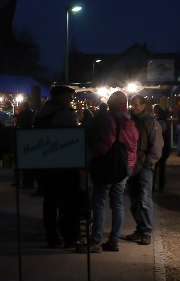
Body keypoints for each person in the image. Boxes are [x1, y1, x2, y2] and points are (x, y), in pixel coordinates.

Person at [78, 90, 138, 253]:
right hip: (123, 168)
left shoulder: (109, 120)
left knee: (98, 202)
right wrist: (130, 167)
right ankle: (113, 241)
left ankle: (96, 240)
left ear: (113, 105)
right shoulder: (131, 123)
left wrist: (93, 157)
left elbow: (105, 145)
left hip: (107, 167)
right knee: (117, 203)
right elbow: (133, 148)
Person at [32, 85, 82, 249]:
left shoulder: (40, 114)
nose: (70, 100)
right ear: (60, 97)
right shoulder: (64, 115)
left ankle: (51, 236)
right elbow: (73, 142)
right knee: (69, 203)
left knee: (50, 202)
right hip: (64, 165)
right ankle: (70, 237)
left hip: (45, 164)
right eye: (68, 97)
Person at [123, 94, 163, 246]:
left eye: (136, 104)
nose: (133, 107)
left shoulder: (150, 121)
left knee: (145, 200)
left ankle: (146, 231)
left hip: (143, 165)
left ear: (144, 105)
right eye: (132, 104)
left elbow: (156, 146)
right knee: (134, 200)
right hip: (133, 165)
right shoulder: (131, 120)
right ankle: (141, 228)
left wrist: (148, 163)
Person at [153, 103, 171, 193]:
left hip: (159, 147)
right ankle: (161, 186)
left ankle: (153, 186)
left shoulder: (158, 121)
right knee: (161, 168)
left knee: (155, 168)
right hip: (165, 147)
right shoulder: (165, 121)